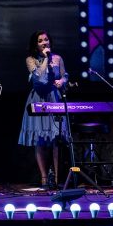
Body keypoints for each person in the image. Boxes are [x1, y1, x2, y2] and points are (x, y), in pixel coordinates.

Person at [17, 30, 69, 190]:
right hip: (38, 99)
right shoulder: (30, 60)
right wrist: (46, 59)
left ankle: (57, 177)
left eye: (46, 39)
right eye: (40, 41)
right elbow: (39, 77)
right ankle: (44, 178)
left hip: (54, 98)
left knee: (55, 139)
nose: (44, 42)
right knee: (40, 140)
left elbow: (64, 75)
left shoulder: (58, 58)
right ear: (36, 44)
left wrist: (62, 81)